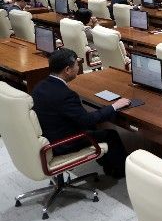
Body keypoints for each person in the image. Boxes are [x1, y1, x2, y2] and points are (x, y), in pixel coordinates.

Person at [32, 49, 131, 178]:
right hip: (62, 144)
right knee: (110, 134)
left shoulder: (39, 86)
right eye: (76, 65)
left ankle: (106, 164)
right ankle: (122, 173)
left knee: (94, 126)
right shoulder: (65, 95)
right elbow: (87, 121)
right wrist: (114, 106)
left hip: (48, 136)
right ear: (67, 70)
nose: (78, 67)